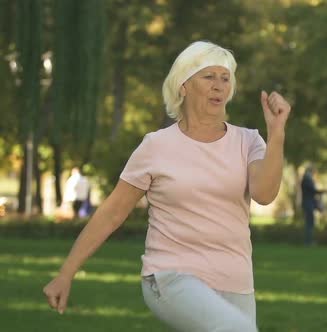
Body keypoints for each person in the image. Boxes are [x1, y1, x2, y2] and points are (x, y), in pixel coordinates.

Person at [43, 40, 292, 332]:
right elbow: (112, 213)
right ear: (183, 86)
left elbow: (264, 194)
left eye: (225, 79)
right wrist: (66, 273)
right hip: (171, 276)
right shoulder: (156, 146)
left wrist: (276, 134)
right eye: (208, 76)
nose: (219, 86)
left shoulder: (248, 141)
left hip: (236, 281)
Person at [300, 165, 325, 246]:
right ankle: (308, 242)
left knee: (310, 223)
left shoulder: (307, 179)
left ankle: (309, 241)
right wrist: (322, 191)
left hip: (309, 203)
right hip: (308, 204)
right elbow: (312, 191)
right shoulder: (307, 179)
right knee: (309, 223)